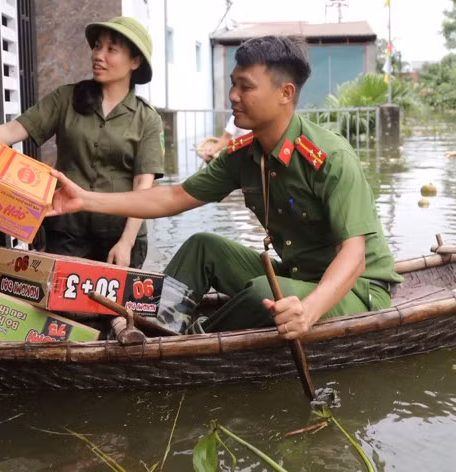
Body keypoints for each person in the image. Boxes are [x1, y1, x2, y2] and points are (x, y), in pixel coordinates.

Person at [48, 35, 402, 338]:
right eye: (233, 83)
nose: (232, 95)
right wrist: (84, 199)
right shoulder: (244, 155)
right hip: (299, 277)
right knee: (204, 246)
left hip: (355, 289)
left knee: (264, 291)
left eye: (245, 86)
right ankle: (156, 328)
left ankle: (192, 341)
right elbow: (172, 196)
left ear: (285, 93)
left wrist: (307, 312)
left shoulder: (328, 157)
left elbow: (353, 256)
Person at [0, 17, 163, 268]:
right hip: (66, 232)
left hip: (119, 235)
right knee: (60, 307)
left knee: (113, 307)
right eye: (97, 46)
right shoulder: (66, 99)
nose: (98, 55)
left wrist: (126, 243)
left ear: (135, 61)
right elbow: (13, 130)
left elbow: (143, 185)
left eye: (111, 49)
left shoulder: (147, 118)